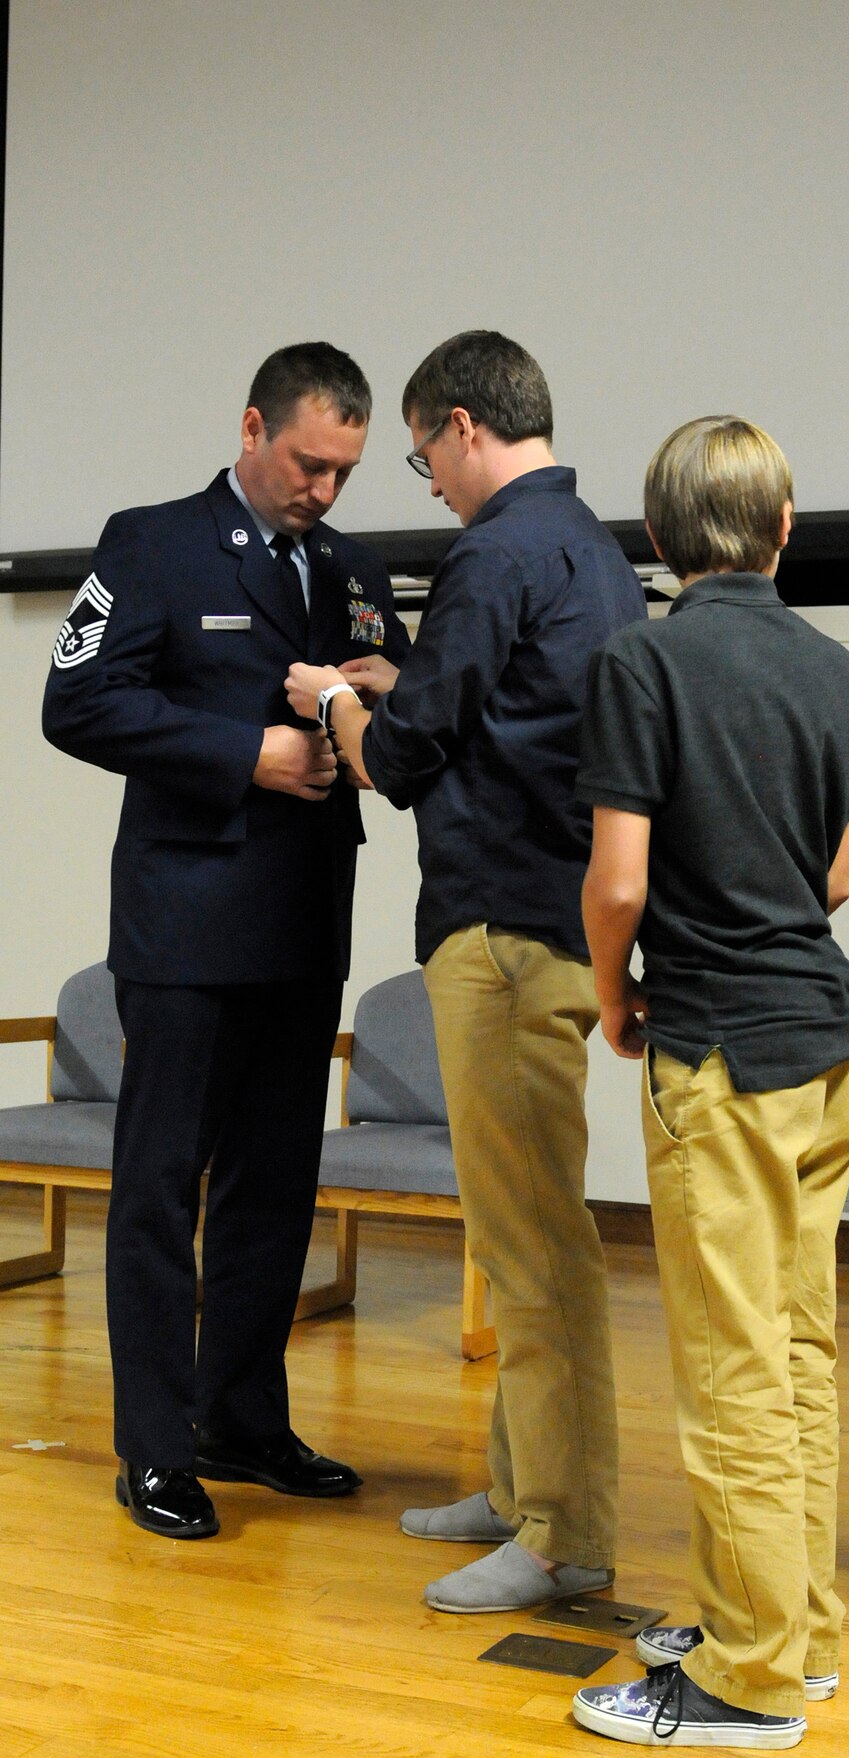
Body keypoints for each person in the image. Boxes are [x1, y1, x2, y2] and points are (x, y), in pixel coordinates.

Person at [286, 330, 646, 1612]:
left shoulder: (491, 550)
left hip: (499, 931)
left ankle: (562, 1535)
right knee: (526, 1228)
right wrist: (406, 679)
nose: (423, 478)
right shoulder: (590, 548)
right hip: (557, 920)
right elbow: (500, 704)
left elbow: (399, 762)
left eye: (421, 452)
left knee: (534, 1244)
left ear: (459, 424)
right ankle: (520, 1484)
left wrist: (333, 693)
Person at [42, 342, 408, 1539]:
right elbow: (78, 700)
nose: (326, 491)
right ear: (252, 428)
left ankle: (240, 1415)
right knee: (159, 1184)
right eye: (309, 463)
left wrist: (386, 689)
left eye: (347, 470)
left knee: (274, 1183)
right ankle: (154, 1445)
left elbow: (387, 693)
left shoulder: (350, 566)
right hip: (188, 920)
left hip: (303, 920)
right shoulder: (152, 541)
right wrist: (237, 751)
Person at [565, 415, 849, 1749]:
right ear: (785, 528)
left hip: (719, 1052)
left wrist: (610, 987)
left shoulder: (643, 659)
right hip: (823, 1040)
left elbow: (620, 878)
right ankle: (790, 1630)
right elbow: (839, 878)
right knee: (797, 1354)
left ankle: (744, 1685)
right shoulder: (838, 668)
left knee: (730, 1372)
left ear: (657, 538)